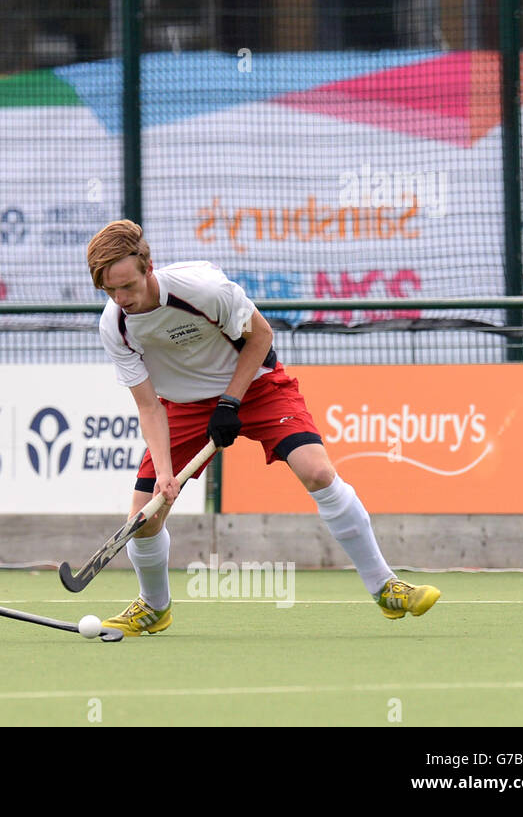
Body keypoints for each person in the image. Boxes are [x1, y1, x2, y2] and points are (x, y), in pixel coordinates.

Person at [85, 219, 439, 636]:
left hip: (255, 385)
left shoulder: (203, 290)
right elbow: (148, 405)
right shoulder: (116, 325)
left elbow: (261, 336)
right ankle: (154, 607)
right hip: (181, 405)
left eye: (128, 286)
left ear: (149, 266)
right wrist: (164, 473)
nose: (122, 299)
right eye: (110, 291)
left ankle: (386, 587)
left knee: (318, 472)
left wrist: (230, 401)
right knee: (146, 518)